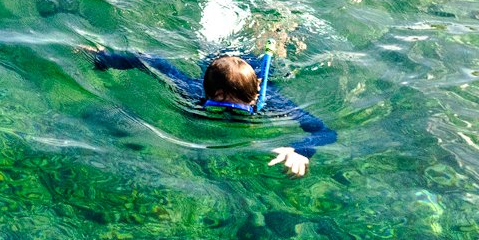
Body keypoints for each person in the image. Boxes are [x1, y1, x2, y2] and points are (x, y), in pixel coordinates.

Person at [83, 42, 335, 176]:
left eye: (236, 111)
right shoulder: (192, 92)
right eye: (216, 109)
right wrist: (103, 58)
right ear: (206, 97)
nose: (226, 116)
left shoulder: (273, 104)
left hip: (256, 66)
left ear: (255, 98)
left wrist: (301, 151)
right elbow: (147, 61)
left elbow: (325, 132)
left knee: (277, 46)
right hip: (215, 59)